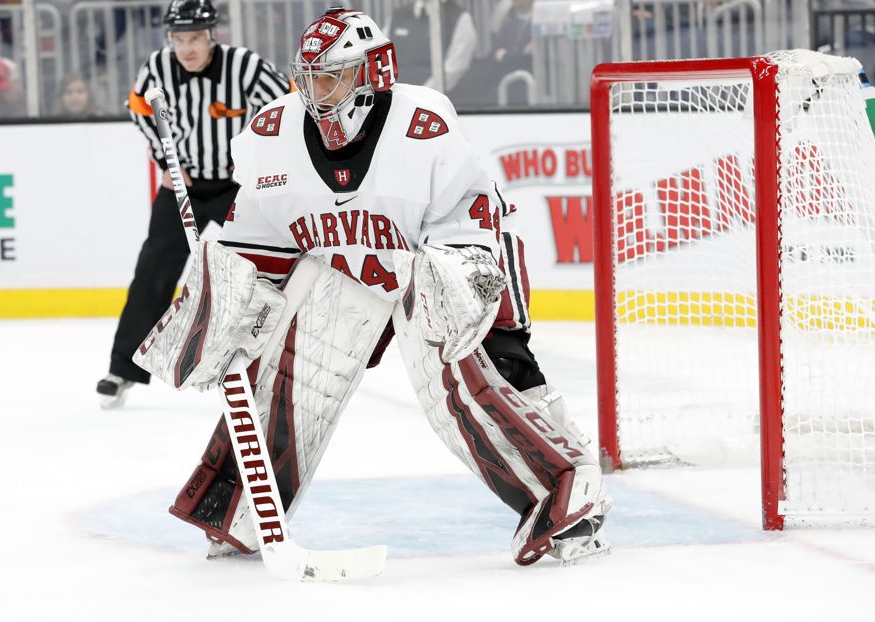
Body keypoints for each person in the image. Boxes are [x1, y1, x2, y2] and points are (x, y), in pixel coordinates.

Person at [157, 7, 610, 568]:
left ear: (371, 75)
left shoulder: (423, 125)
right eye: (307, 77)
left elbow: (473, 226)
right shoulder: (272, 136)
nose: (314, 91)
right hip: (347, 275)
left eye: (331, 76)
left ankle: (566, 489)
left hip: (444, 264)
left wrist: (474, 309)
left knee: (473, 365)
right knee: (286, 360)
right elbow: (255, 245)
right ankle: (242, 503)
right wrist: (227, 305)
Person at [95, 0, 291, 408]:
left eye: (195, 38)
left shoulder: (245, 66)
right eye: (179, 39)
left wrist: (257, 156)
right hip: (182, 186)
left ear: (211, 36)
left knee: (272, 262)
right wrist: (165, 160)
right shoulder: (158, 68)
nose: (186, 48)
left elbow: (288, 106)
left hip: (236, 186)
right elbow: (138, 110)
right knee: (154, 270)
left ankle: (285, 359)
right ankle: (123, 369)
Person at [386, 0, 476, 92]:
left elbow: (455, 67)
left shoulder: (460, 17)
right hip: (394, 97)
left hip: (434, 100)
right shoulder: (398, 14)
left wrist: (421, 95)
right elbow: (380, 55)